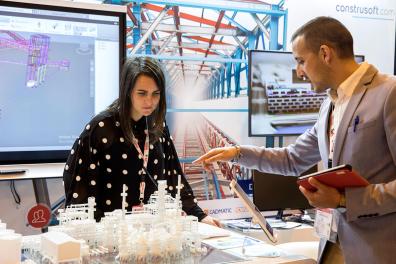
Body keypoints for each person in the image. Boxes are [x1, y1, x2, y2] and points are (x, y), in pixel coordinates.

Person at [194, 16, 396, 264]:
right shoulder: (330, 105)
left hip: (379, 250)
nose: (299, 71)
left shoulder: (389, 93)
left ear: (325, 53)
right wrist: (236, 152)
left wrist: (344, 200)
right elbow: (292, 159)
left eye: (301, 61)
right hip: (334, 245)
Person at [63, 57, 220, 227]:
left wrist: (199, 215)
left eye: (156, 94)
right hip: (110, 234)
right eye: (142, 93)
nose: (149, 102)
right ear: (127, 91)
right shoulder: (101, 128)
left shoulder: (157, 125)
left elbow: (173, 175)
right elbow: (79, 185)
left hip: (149, 232)